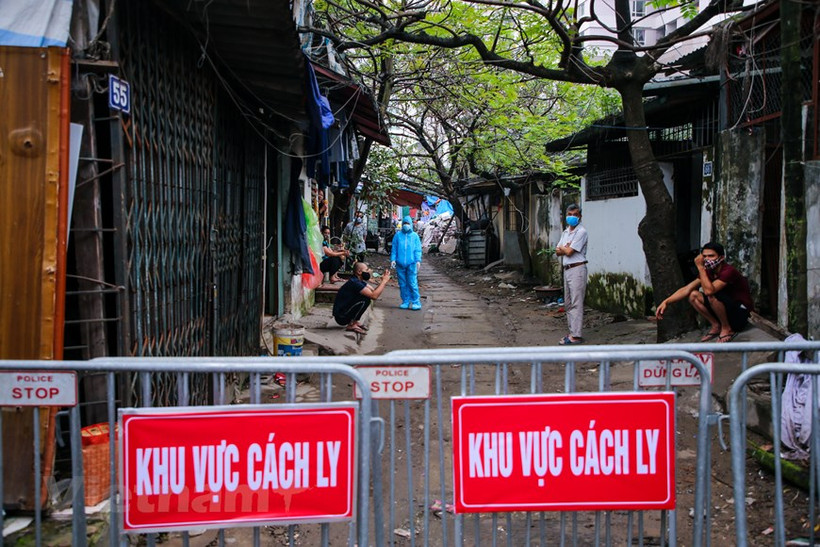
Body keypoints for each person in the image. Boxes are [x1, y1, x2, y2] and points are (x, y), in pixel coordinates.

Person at [655, 241, 754, 342]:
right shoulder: (708, 272)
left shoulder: (728, 271)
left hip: (740, 314)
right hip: (724, 310)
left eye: (711, 256)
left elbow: (709, 291)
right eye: (705, 256)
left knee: (712, 295)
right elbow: (687, 289)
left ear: (721, 257)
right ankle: (716, 325)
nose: (707, 259)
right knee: (693, 295)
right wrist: (666, 301)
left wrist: (700, 268)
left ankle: (726, 328)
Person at [555, 204, 588, 345]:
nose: (572, 217)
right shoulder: (565, 232)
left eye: (575, 214)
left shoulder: (581, 232)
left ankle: (576, 335)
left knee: (576, 302)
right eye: (570, 214)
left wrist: (565, 248)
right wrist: (565, 247)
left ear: (580, 216)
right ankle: (572, 332)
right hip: (567, 269)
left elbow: (568, 252)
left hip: (577, 269)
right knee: (568, 303)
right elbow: (557, 250)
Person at [332, 262, 391, 334]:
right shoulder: (355, 283)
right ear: (359, 272)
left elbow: (373, 291)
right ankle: (351, 324)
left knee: (366, 298)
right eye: (366, 270)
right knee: (365, 299)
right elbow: (374, 296)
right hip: (341, 317)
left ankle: (355, 322)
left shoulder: (359, 281)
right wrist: (384, 281)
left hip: (344, 313)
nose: (368, 271)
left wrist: (382, 281)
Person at [391, 215, 423, 310]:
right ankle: (405, 301)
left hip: (411, 263)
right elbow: (394, 249)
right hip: (400, 263)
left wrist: (418, 260)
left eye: (408, 223)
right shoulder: (397, 236)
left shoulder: (415, 236)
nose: (406, 225)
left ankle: (416, 302)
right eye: (404, 223)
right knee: (402, 283)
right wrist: (393, 259)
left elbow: (417, 249)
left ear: (411, 224)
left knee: (412, 283)